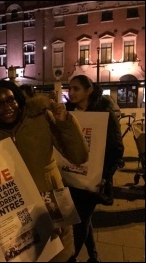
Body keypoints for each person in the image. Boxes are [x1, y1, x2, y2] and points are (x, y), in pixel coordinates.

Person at [0, 80, 89, 262]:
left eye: (10, 100)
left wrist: (65, 122)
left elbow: (79, 156)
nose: (7, 107)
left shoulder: (40, 117)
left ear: (19, 100)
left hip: (53, 202)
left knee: (62, 256)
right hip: (18, 214)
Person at [65, 75, 124, 262]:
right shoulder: (68, 112)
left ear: (88, 90)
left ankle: (71, 256)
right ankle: (93, 256)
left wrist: (105, 176)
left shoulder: (105, 113)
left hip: (94, 178)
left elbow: (117, 149)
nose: (71, 93)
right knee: (82, 217)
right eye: (70, 88)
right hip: (72, 177)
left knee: (80, 220)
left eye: (76, 89)